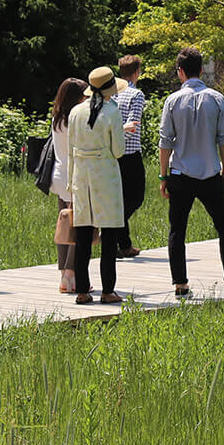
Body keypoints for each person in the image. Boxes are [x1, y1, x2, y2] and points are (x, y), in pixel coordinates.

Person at [158, 47, 224, 297]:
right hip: (210, 174)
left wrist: (163, 176)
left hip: (181, 174)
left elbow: (166, 142)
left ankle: (180, 284)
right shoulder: (216, 98)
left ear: (180, 72)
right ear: (201, 69)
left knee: (177, 230)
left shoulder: (172, 101)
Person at [67, 66, 127, 305]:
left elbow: (71, 149)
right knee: (110, 235)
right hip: (105, 175)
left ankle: (83, 290)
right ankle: (107, 290)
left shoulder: (75, 112)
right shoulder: (112, 112)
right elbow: (119, 150)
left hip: (81, 176)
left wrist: (71, 182)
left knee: (83, 234)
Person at [48, 77, 87, 293]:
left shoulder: (56, 118)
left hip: (59, 175)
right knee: (77, 227)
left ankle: (63, 272)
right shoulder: (76, 119)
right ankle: (70, 274)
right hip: (75, 176)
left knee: (64, 223)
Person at [113, 55, 146, 259]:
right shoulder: (136, 94)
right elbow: (133, 124)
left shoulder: (112, 94)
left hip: (113, 153)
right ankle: (114, 227)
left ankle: (124, 245)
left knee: (120, 198)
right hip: (131, 153)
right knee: (136, 197)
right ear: (136, 72)